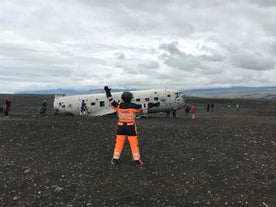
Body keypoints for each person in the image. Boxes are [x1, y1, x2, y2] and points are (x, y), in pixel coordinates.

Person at [104, 86, 160, 167]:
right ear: (130, 98)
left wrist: (107, 92)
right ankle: (137, 160)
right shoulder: (134, 106)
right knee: (133, 144)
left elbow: (111, 100)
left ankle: (115, 159)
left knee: (119, 144)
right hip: (131, 128)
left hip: (121, 127)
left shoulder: (118, 106)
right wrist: (155, 104)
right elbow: (145, 105)